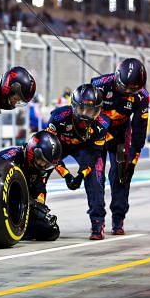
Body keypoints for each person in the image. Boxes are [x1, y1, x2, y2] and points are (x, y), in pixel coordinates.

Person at [91, 58, 149, 235]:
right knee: (95, 176)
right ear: (117, 78)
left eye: (134, 89)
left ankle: (118, 220)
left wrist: (133, 159)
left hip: (121, 137)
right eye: (126, 88)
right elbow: (85, 116)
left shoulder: (142, 97)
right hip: (98, 133)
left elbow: (139, 131)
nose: (129, 92)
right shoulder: (99, 86)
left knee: (122, 175)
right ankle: (97, 221)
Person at [46, 84, 111, 239]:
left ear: (98, 110)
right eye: (82, 109)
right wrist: (66, 175)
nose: (85, 115)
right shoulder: (57, 117)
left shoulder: (102, 124)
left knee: (96, 178)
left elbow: (93, 156)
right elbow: (48, 150)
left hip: (86, 149)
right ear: (73, 106)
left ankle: (97, 222)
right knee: (40, 166)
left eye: (90, 110)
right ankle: (33, 214)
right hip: (60, 146)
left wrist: (81, 175)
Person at [0, 131, 63, 241]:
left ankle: (19, 231)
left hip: (20, 209)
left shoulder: (40, 170)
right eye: (42, 161)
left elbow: (40, 189)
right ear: (33, 151)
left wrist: (39, 207)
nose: (43, 166)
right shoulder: (8, 158)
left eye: (47, 165)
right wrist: (33, 204)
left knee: (51, 230)